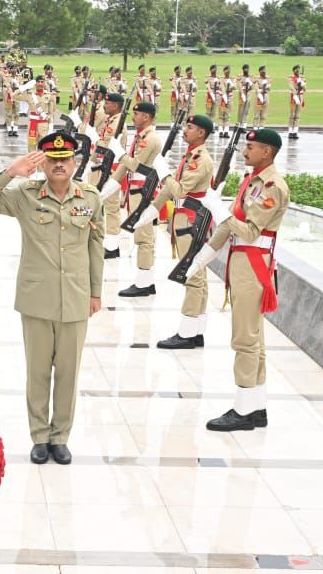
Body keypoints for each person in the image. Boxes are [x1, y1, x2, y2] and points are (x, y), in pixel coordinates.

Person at [0, 132, 104, 465]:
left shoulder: (90, 198)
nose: (59, 165)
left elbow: (96, 247)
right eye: (52, 159)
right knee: (38, 372)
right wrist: (11, 172)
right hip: (36, 298)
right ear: (43, 163)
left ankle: (60, 436)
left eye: (65, 159)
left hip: (75, 297)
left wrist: (95, 291)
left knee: (68, 373)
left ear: (75, 162)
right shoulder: (25, 195)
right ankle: (39, 436)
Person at [185, 128, 290, 431]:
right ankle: (255, 406)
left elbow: (249, 231)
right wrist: (201, 258)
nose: (245, 151)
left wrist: (218, 210)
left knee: (245, 339)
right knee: (253, 340)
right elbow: (230, 227)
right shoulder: (253, 180)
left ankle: (243, 411)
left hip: (253, 265)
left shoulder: (272, 186)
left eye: (251, 147)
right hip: (243, 263)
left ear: (267, 152)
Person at [132, 115, 215, 348]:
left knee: (192, 276)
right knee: (198, 277)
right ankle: (196, 330)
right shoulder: (192, 155)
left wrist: (163, 172)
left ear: (201, 133)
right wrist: (151, 210)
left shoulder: (200, 160)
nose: (184, 131)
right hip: (186, 220)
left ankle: (187, 334)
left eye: (190, 127)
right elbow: (170, 192)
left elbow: (178, 191)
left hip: (190, 221)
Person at [102, 102, 164, 296]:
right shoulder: (141, 137)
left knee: (144, 239)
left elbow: (135, 165)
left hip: (144, 193)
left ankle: (144, 284)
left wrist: (118, 153)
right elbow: (126, 167)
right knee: (142, 237)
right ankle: (146, 281)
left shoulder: (150, 139)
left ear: (146, 117)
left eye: (136, 114)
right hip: (137, 193)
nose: (133, 117)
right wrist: (107, 188)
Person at [91, 91, 128, 258]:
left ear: (115, 106)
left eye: (107, 103)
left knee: (111, 208)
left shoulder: (117, 122)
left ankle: (112, 247)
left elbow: (104, 144)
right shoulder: (111, 120)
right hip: (103, 166)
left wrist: (95, 141)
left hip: (111, 168)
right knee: (99, 204)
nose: (104, 105)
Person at [17, 75, 54, 149]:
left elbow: (51, 113)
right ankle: (32, 161)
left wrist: (51, 126)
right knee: (31, 146)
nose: (40, 84)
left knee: (43, 146)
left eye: (42, 82)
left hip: (44, 123)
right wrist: (24, 87)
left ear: (44, 83)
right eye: (38, 82)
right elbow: (14, 96)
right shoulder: (30, 95)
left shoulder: (49, 96)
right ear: (35, 83)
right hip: (33, 123)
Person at [288, 65, 306, 139]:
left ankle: (295, 131)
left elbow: (305, 89)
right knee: (292, 115)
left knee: (297, 115)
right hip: (293, 96)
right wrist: (295, 91)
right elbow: (291, 86)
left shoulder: (302, 78)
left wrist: (302, 83)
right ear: (294, 71)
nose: (298, 71)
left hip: (300, 96)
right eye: (296, 70)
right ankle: (290, 131)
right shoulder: (291, 78)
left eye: (298, 70)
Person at [219, 65, 235, 138]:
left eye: (228, 70)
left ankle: (226, 131)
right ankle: (220, 131)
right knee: (221, 115)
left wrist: (231, 84)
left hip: (230, 97)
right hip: (222, 98)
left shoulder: (232, 79)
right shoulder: (221, 79)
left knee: (227, 115)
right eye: (226, 71)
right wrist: (224, 94)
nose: (227, 72)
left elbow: (234, 87)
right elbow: (222, 87)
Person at [205, 65, 222, 131]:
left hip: (217, 95)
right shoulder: (208, 77)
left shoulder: (218, 78)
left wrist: (220, 92)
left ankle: (212, 126)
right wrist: (211, 93)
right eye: (213, 70)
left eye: (215, 70)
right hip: (209, 96)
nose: (214, 71)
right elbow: (207, 86)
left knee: (214, 111)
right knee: (208, 111)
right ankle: (207, 125)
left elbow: (221, 86)